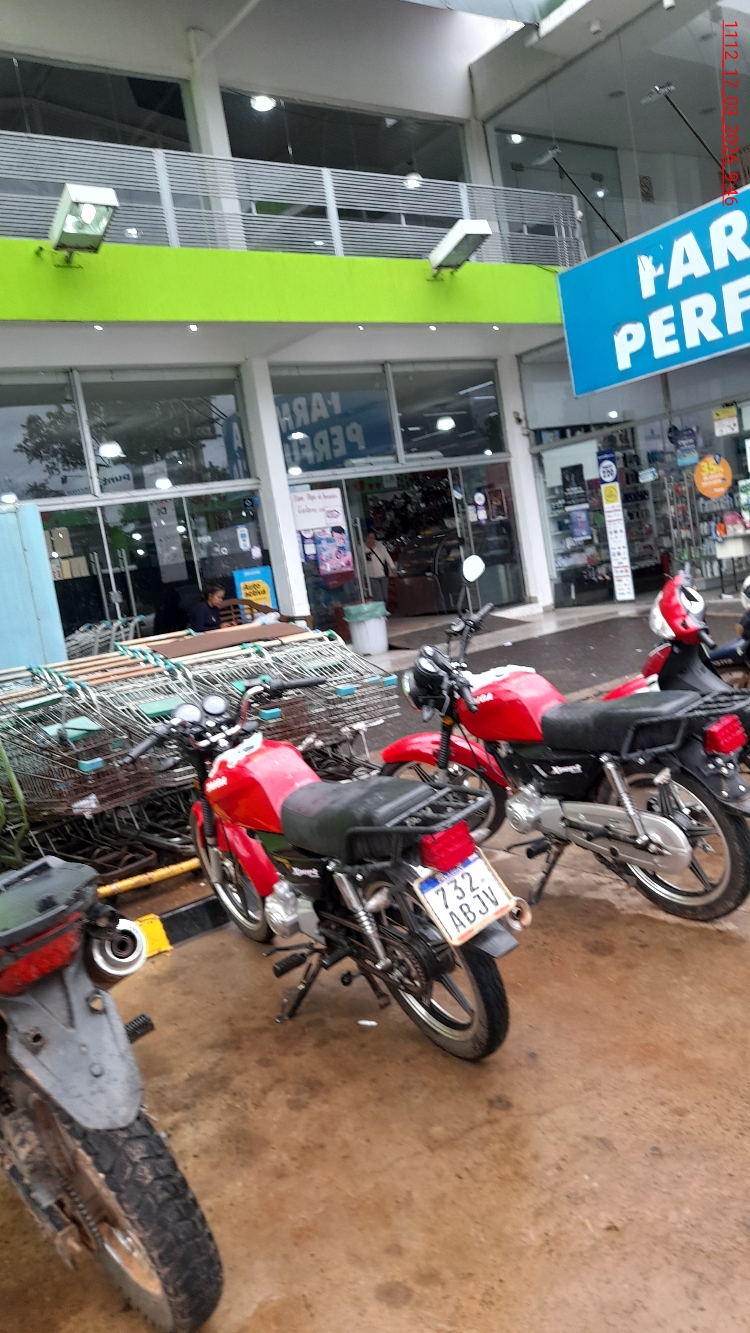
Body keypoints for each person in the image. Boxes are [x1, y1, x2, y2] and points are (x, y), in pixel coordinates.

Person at [364, 530, 395, 604]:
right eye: (369, 538)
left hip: (382, 573)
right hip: (371, 576)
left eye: (373, 538)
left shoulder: (380, 546)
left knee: (385, 595)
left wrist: (392, 567)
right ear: (366, 538)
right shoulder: (363, 548)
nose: (371, 540)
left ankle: (384, 607)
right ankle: (381, 609)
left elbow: (387, 556)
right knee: (378, 596)